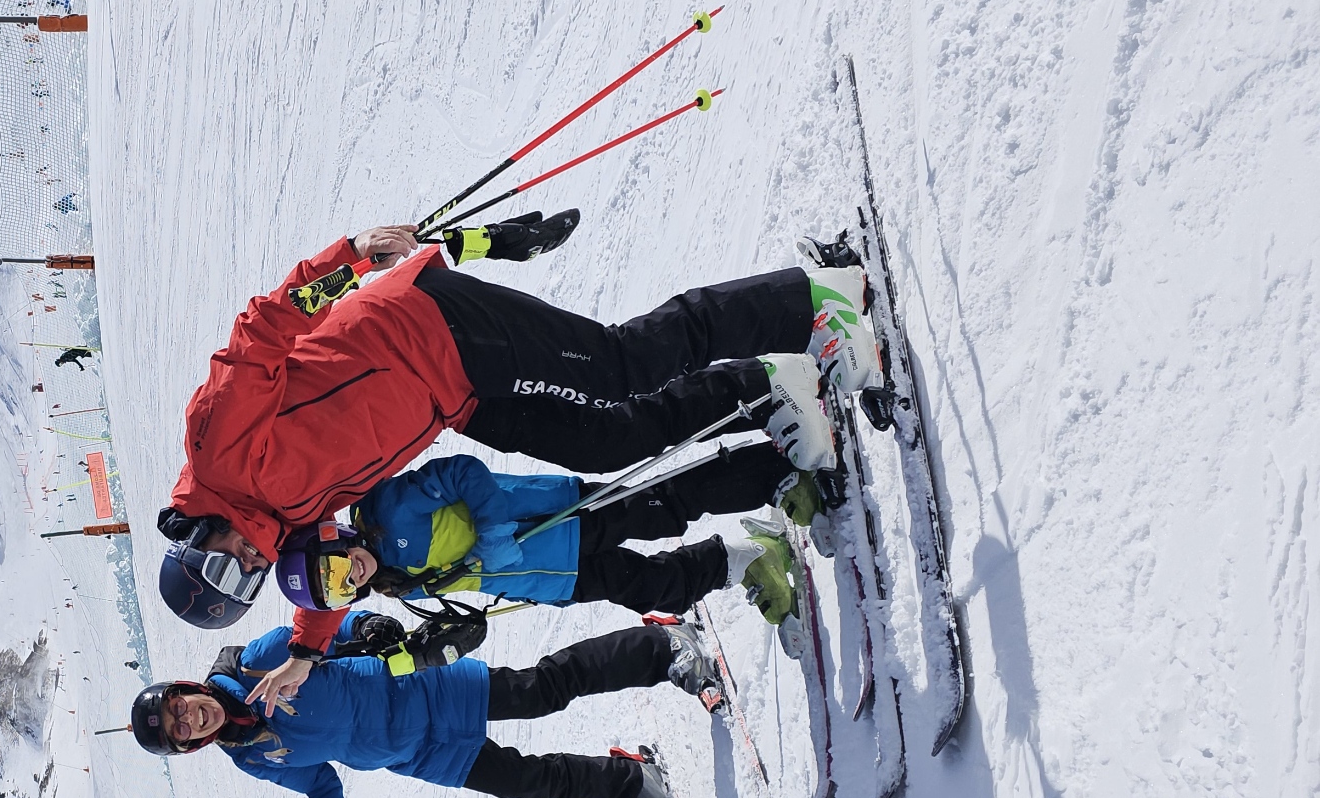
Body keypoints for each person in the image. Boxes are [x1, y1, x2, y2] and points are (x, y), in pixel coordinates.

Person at [153, 211, 877, 701]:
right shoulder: (278, 523)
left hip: (423, 326)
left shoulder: (217, 449)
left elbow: (261, 331)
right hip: (455, 398)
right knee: (608, 437)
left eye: (223, 564)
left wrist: (346, 260)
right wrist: (305, 656)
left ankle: (810, 302)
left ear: (193, 541)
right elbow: (320, 583)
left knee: (616, 364)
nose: (248, 564)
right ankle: (765, 386)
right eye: (244, 584)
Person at [128, 609, 721, 798]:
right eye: (181, 731)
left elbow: (322, 632)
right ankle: (630, 782)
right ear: (188, 748)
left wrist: (368, 626)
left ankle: (662, 647)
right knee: (528, 781)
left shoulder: (255, 663)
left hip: (420, 691)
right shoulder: (251, 756)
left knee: (544, 689)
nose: (191, 718)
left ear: (185, 687)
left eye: (181, 706)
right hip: (411, 754)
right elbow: (317, 779)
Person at [274, 450, 826, 639]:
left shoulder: (387, 508)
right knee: (653, 590)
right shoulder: (398, 586)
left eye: (336, 567)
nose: (353, 574)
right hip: (553, 579)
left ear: (332, 540)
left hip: (557, 518)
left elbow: (465, 473)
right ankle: (751, 560)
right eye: (343, 590)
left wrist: (492, 534)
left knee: (669, 507)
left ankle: (774, 472)